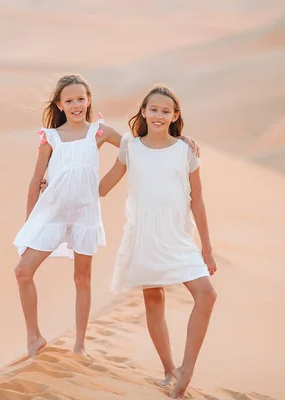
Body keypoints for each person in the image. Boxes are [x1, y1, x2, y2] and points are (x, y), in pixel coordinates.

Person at [13, 74, 200, 358]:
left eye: (81, 99)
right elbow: (34, 181)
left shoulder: (98, 132)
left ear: (88, 100)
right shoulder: (49, 138)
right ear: (60, 105)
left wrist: (177, 138)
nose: (76, 105)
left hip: (85, 213)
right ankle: (34, 336)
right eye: (69, 100)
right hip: (52, 213)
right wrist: (31, 224)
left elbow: (135, 145)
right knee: (22, 271)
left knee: (82, 278)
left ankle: (80, 344)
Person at [99, 84, 217, 398]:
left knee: (206, 294)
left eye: (166, 111)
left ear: (176, 116)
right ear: (143, 112)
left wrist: (206, 247)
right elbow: (104, 186)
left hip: (179, 236)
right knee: (154, 300)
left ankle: (186, 371)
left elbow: (198, 202)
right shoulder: (131, 147)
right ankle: (169, 370)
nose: (159, 115)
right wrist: (60, 178)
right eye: (153, 109)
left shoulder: (186, 151)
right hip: (144, 235)